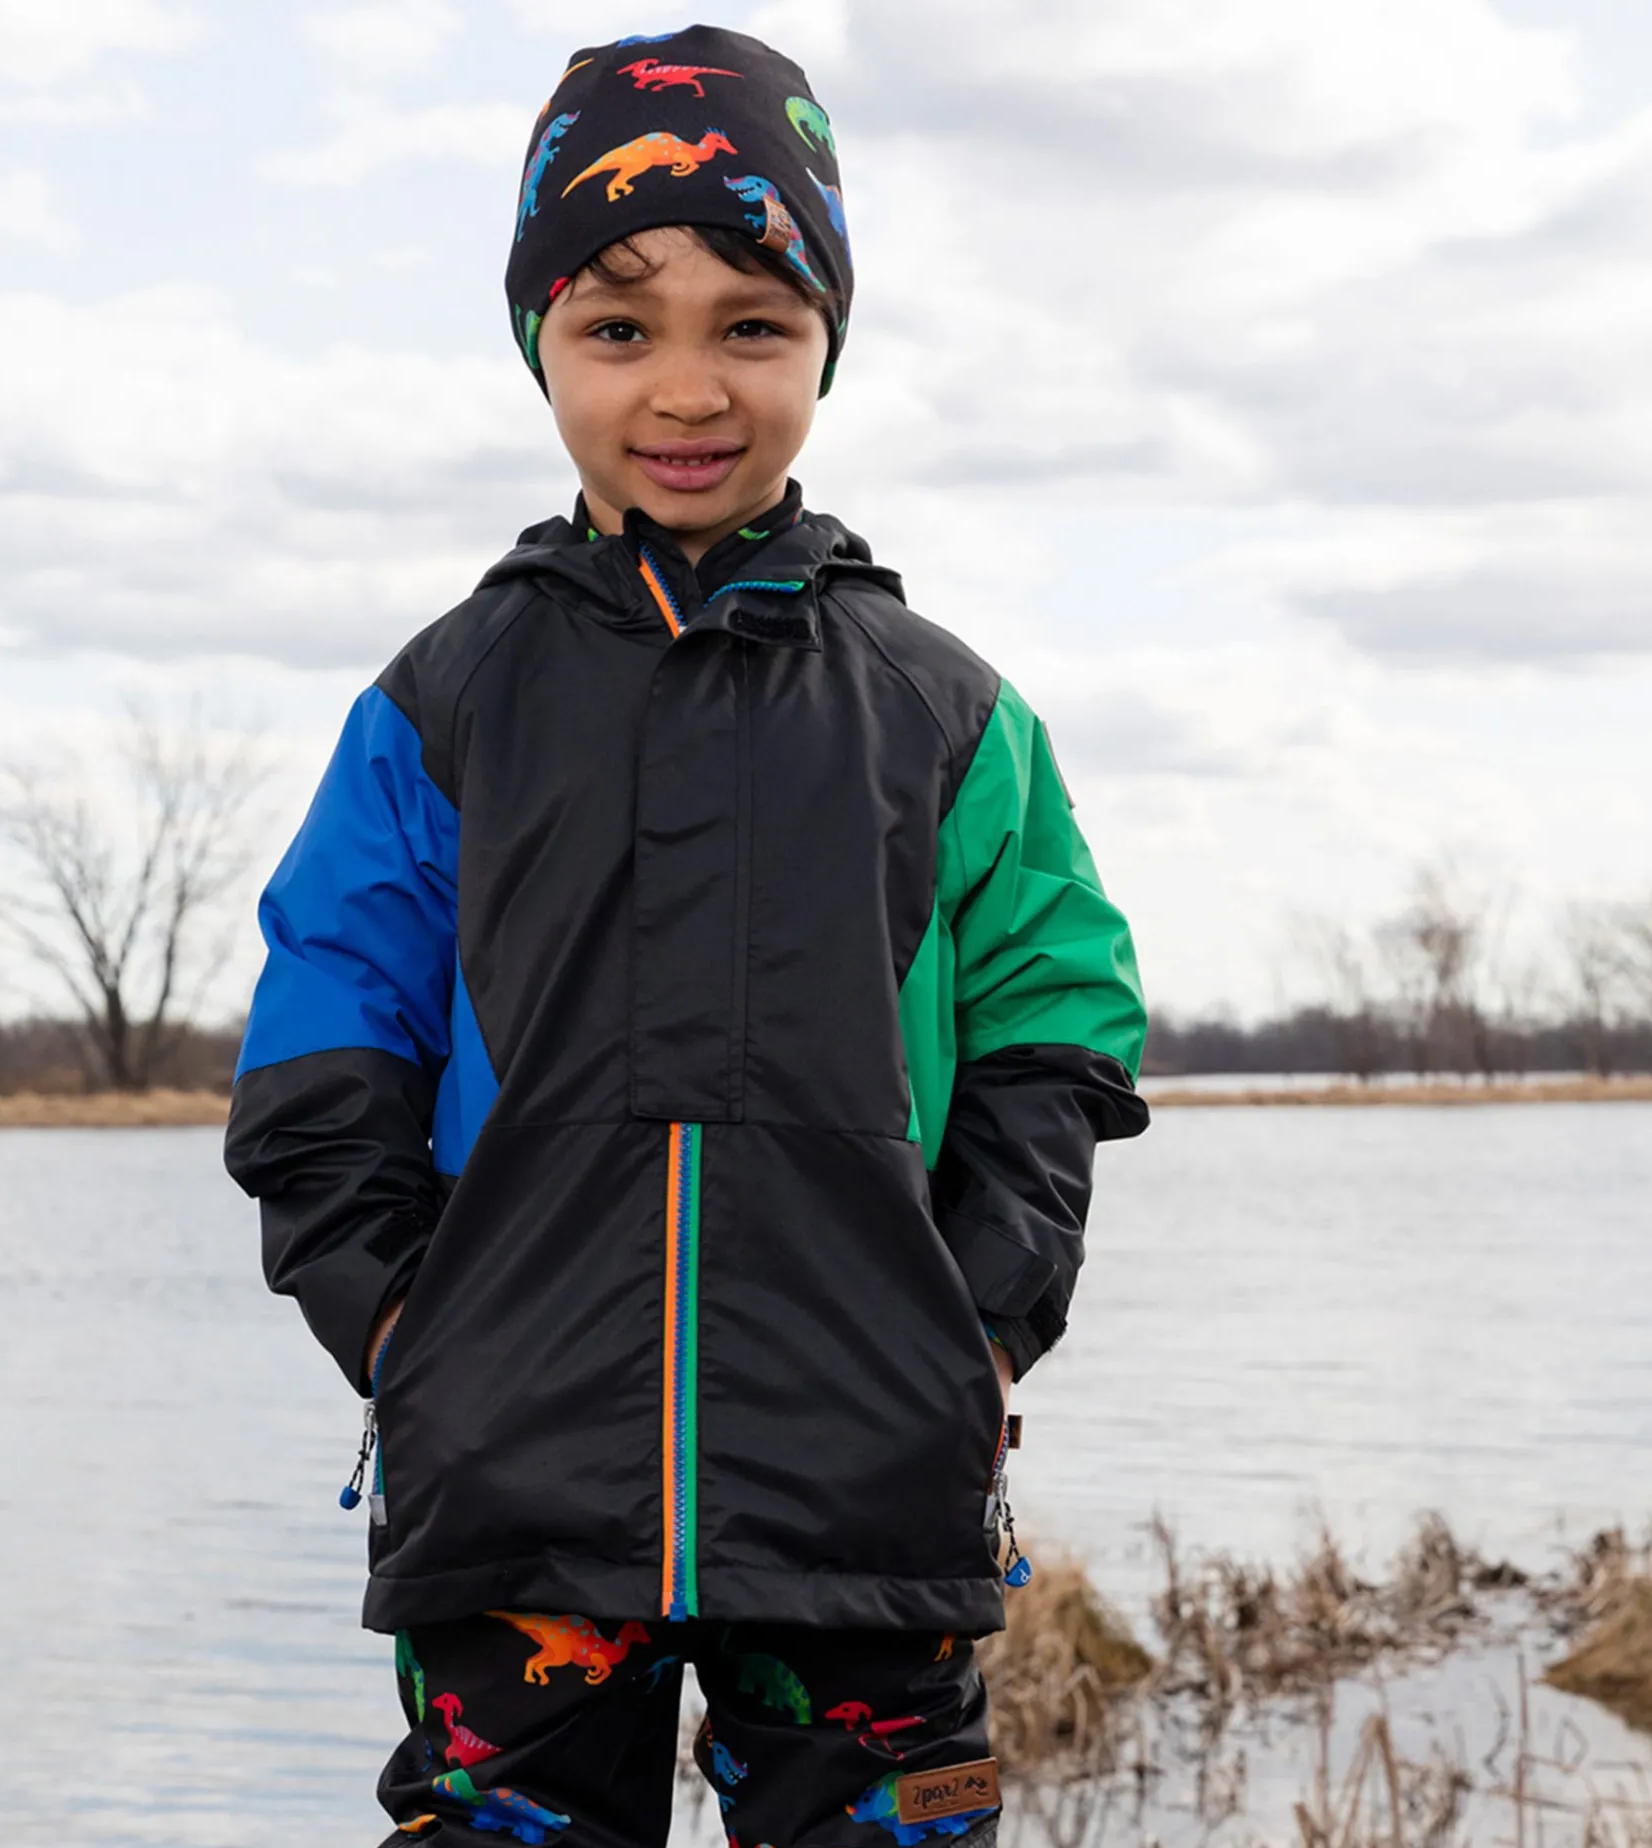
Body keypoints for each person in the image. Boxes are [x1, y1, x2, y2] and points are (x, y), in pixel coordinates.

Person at [226, 24, 1148, 1847]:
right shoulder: (444, 704)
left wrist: (976, 1328)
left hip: (867, 1488)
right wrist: (407, 1331)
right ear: (540, 344)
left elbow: (1063, 1020)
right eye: (618, 327)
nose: (687, 387)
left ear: (825, 344)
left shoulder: (946, 712)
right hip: (516, 1490)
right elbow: (326, 1033)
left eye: (754, 325)